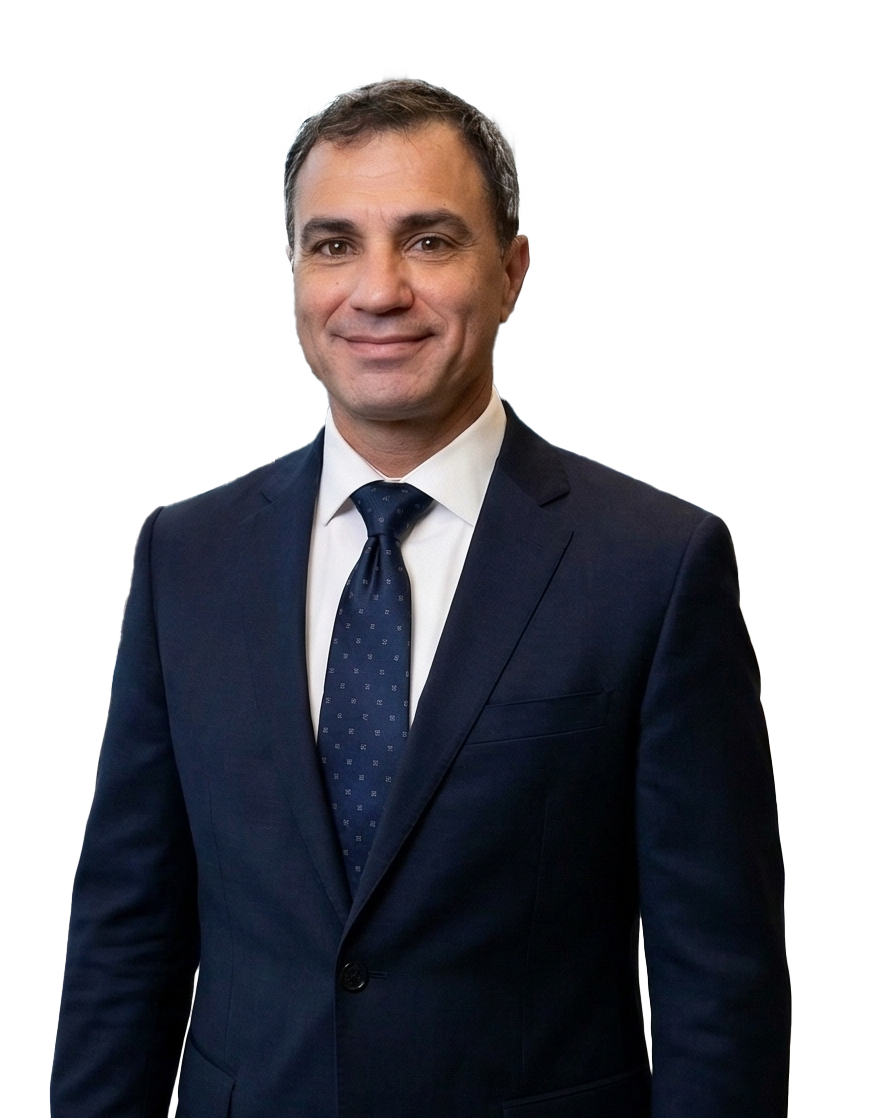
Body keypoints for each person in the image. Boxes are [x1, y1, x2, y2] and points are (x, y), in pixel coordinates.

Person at [51, 79, 791, 1118]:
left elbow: (720, 985)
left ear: (510, 273)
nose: (378, 290)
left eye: (430, 240)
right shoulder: (191, 558)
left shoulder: (655, 568)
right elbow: (127, 937)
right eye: (333, 244)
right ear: (297, 273)